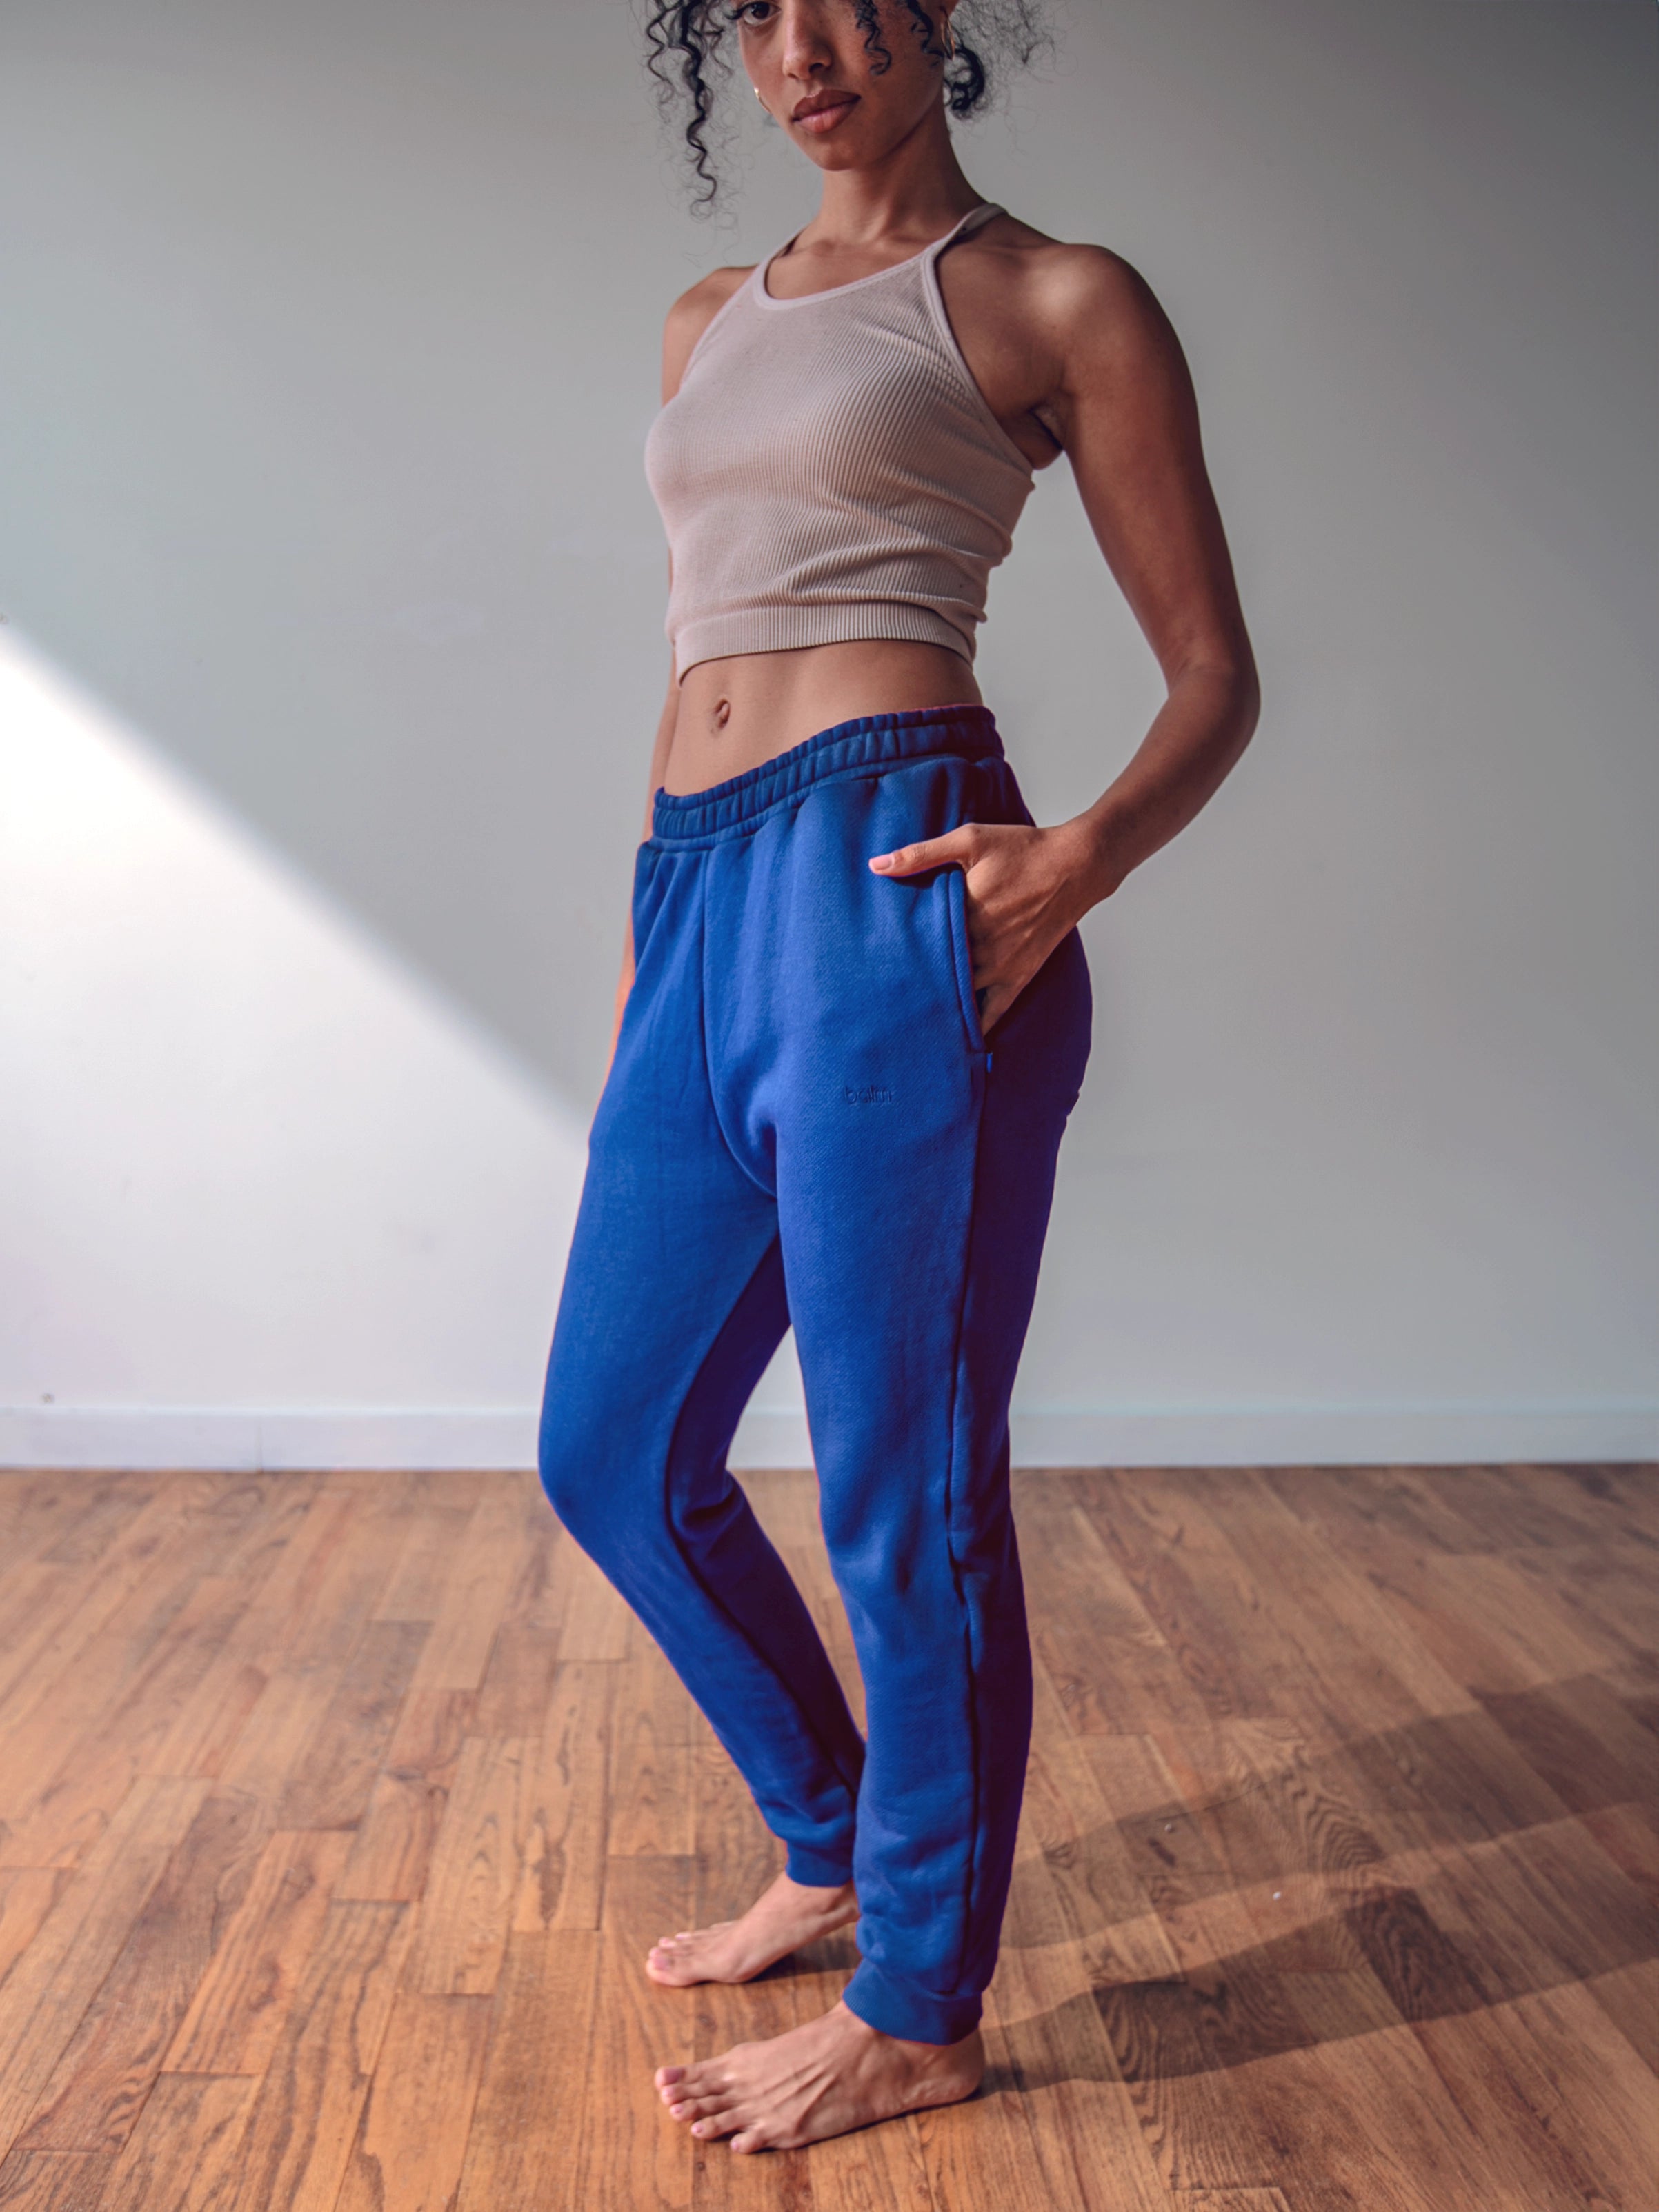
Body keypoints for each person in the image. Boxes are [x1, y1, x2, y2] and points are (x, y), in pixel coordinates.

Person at [537, 0, 1258, 2155]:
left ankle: (922, 2003)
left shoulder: (1051, 299)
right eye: (756, 12)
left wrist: (1074, 868)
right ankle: (835, 1834)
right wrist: (654, 949)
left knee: (902, 1491)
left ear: (947, 19)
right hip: (696, 894)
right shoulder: (704, 318)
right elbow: (705, 636)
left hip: (898, 881)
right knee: (608, 1448)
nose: (807, 44)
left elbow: (1215, 674)